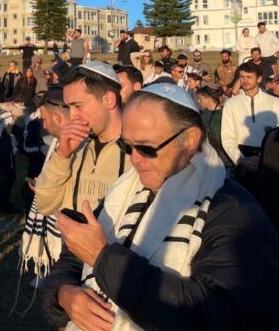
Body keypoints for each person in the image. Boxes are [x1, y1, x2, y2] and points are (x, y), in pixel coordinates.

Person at [43, 83, 279, 330]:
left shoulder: (231, 212)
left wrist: (103, 258)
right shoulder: (125, 190)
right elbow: (73, 260)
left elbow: (210, 315)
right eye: (127, 146)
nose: (134, 159)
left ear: (189, 140)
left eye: (146, 148)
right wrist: (64, 294)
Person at [34, 61, 129, 217]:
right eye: (69, 107)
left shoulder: (139, 154)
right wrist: (62, 156)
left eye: (78, 106)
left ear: (108, 100)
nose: (72, 116)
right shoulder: (75, 145)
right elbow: (44, 205)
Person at [19, 86, 68, 282]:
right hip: (38, 174)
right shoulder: (34, 124)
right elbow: (27, 147)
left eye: (47, 120)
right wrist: (41, 147)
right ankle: (44, 269)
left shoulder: (68, 140)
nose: (45, 125)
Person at [220, 61, 279, 190]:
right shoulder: (231, 104)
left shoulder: (275, 103)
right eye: (242, 77)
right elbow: (227, 136)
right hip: (243, 161)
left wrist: (267, 159)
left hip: (270, 160)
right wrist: (240, 159)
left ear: (259, 79)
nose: (244, 80)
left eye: (249, 77)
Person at [197, 85, 232, 168]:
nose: (198, 101)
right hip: (207, 157)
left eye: (200, 99)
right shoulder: (203, 113)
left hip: (223, 160)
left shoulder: (224, 115)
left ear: (208, 99)